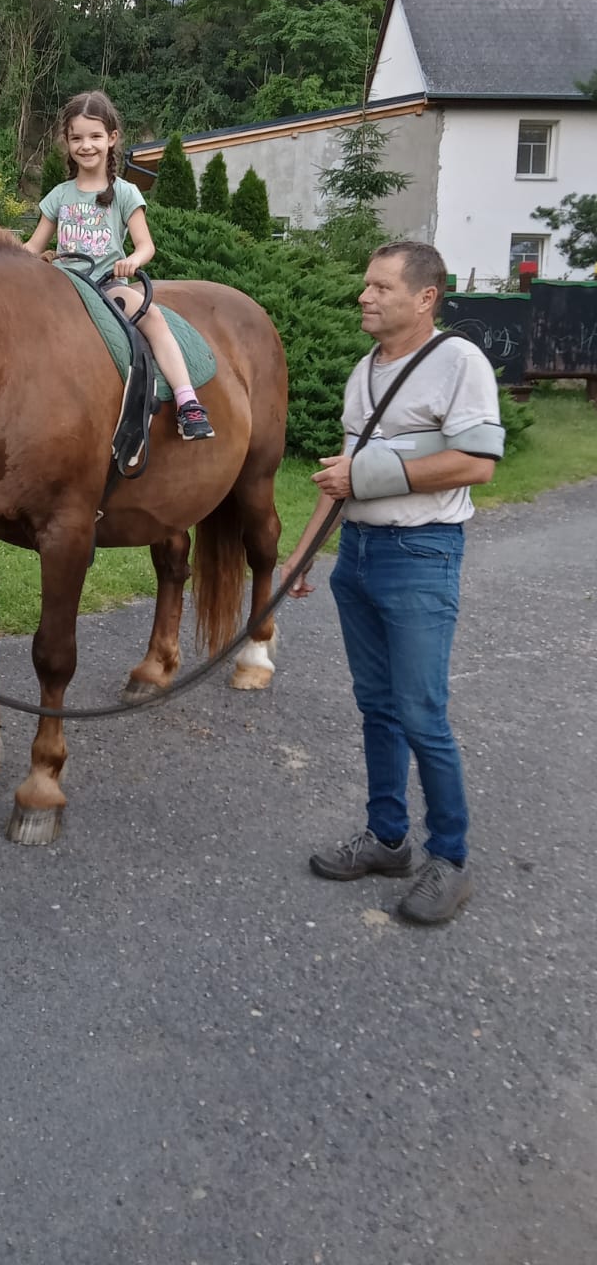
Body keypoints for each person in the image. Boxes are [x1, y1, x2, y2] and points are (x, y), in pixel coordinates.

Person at [284, 241, 504, 924]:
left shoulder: (457, 362)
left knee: (421, 715)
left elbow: (478, 462)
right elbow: (340, 473)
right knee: (376, 708)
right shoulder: (364, 371)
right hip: (359, 555)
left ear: (425, 297)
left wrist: (371, 476)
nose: (364, 296)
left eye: (380, 286)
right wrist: (300, 558)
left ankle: (451, 858)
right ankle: (387, 840)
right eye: (365, 285)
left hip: (421, 553)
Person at [23, 90, 215, 440]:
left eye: (95, 136)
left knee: (152, 317)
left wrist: (131, 262)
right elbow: (33, 246)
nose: (86, 145)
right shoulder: (59, 195)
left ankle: (188, 401)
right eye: (77, 138)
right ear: (66, 142)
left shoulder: (125, 193)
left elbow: (146, 246)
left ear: (111, 139)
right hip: (65, 288)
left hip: (109, 286)